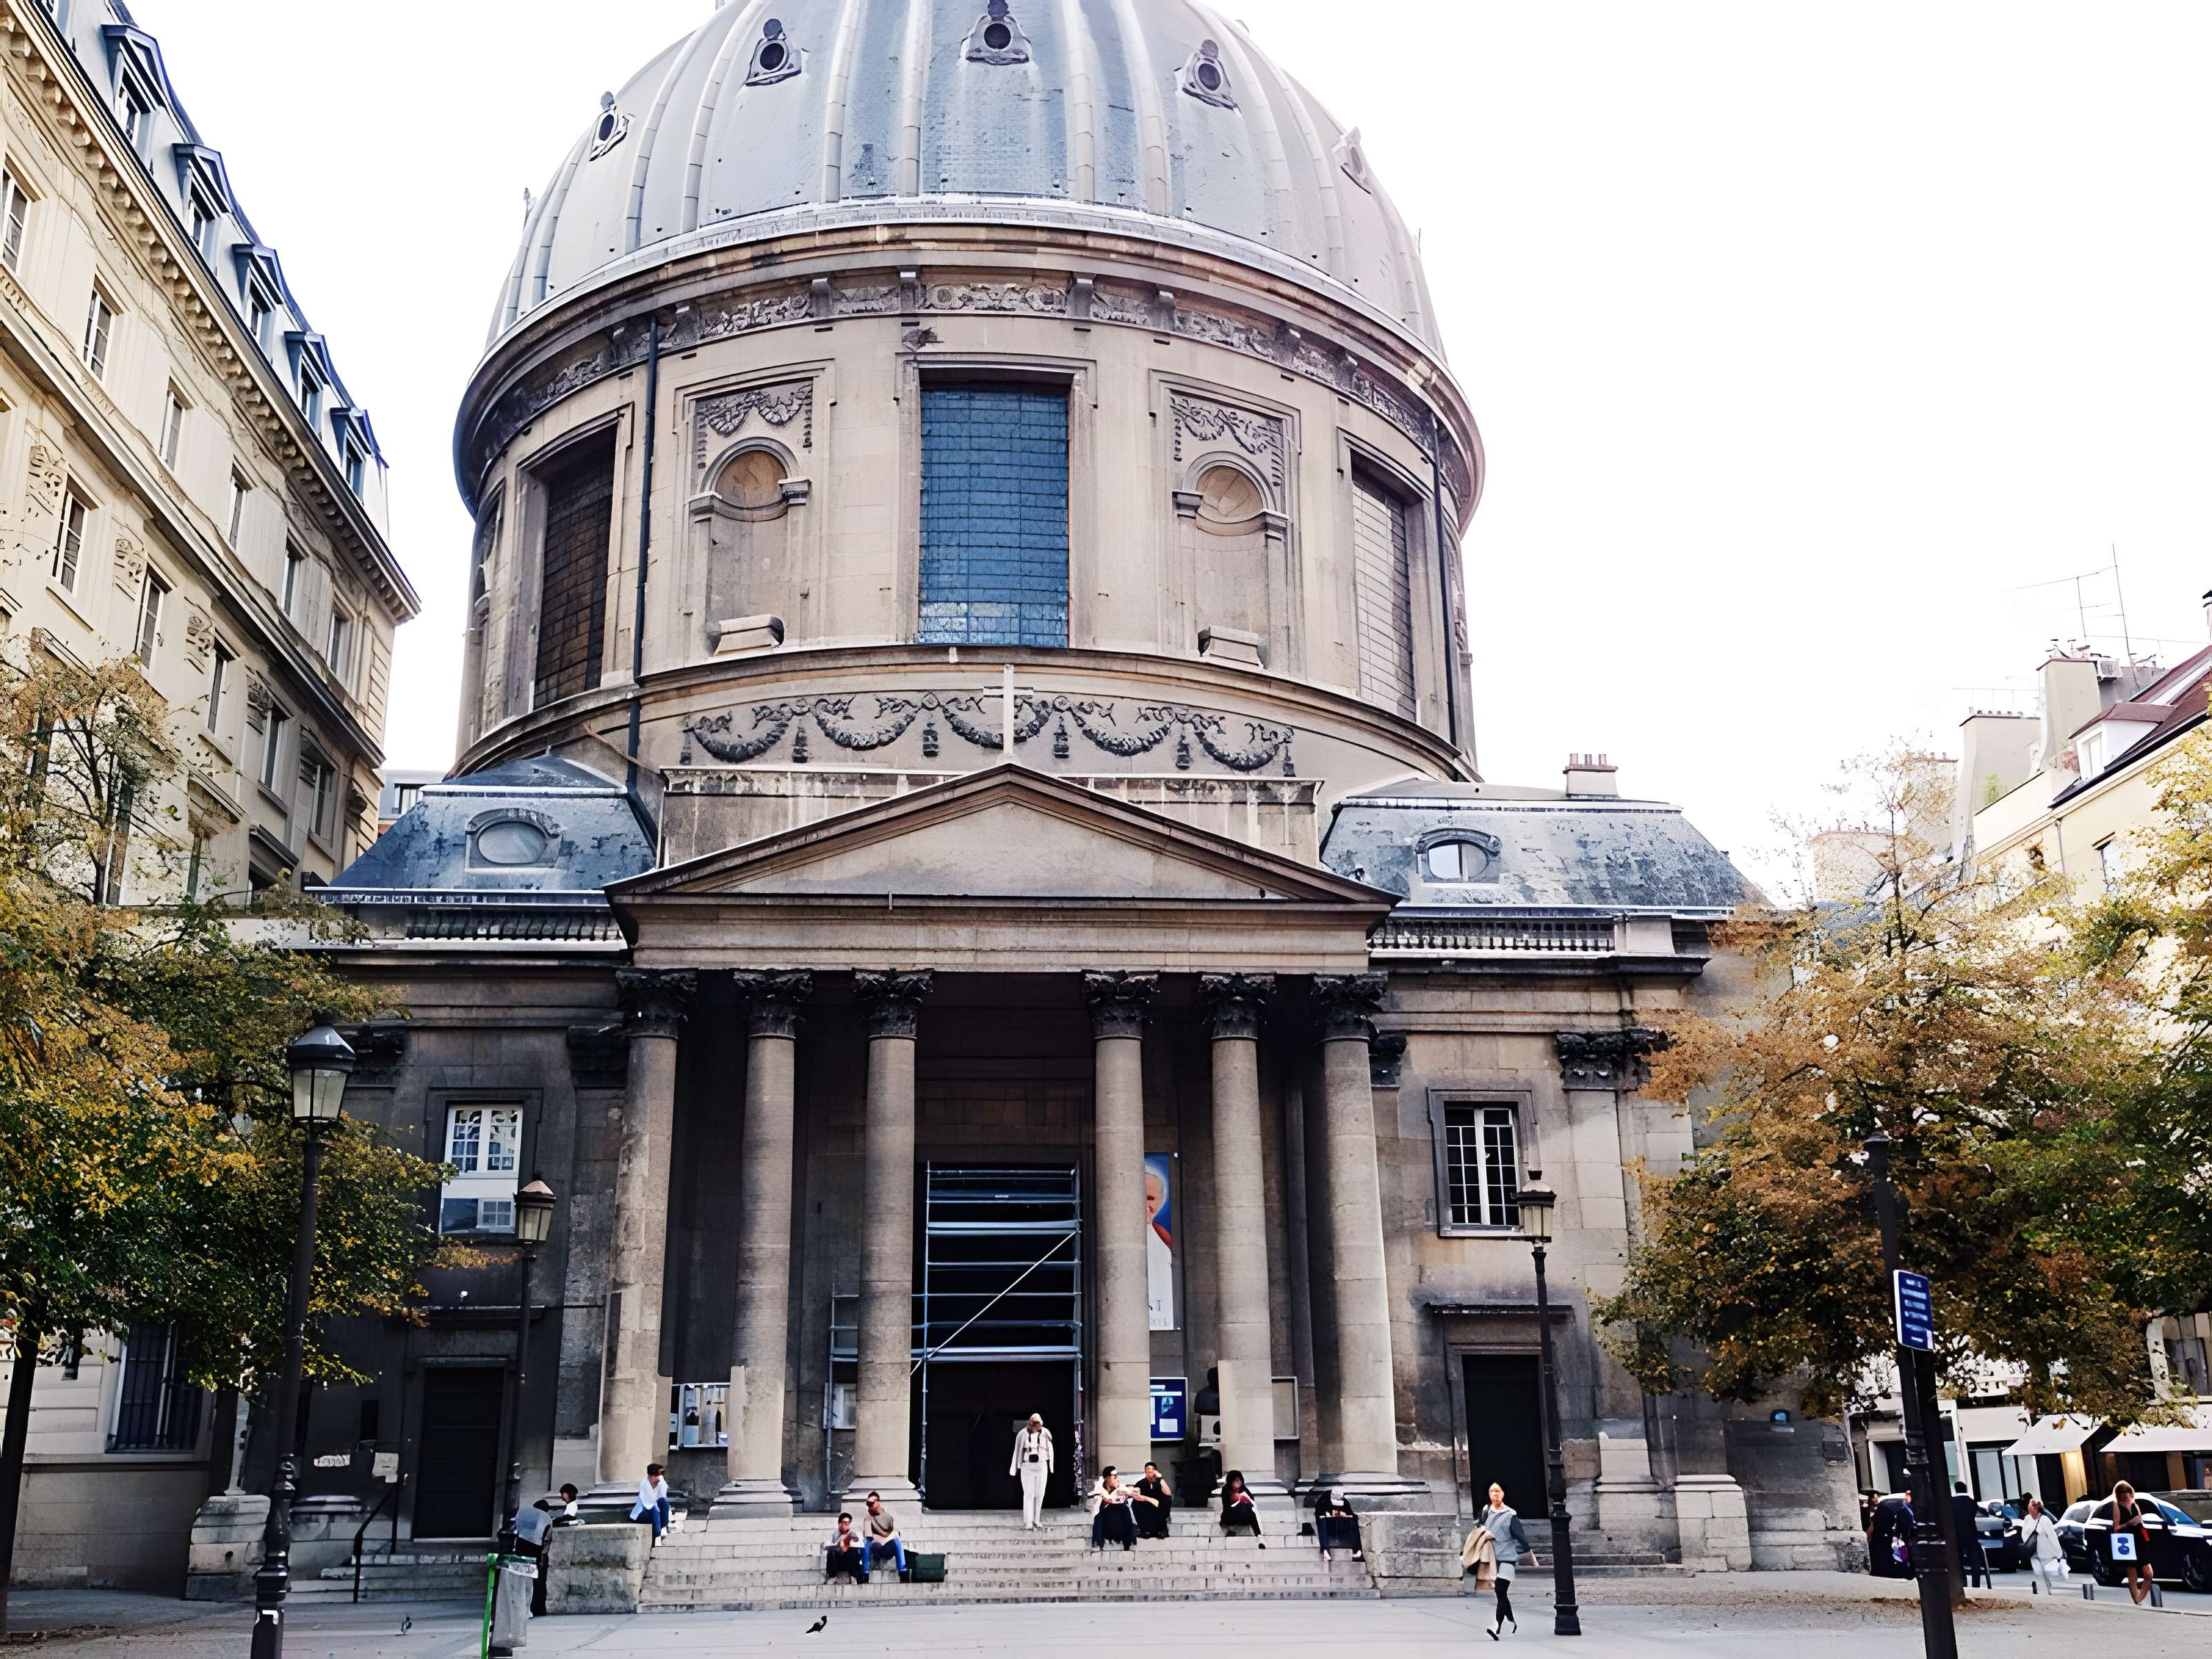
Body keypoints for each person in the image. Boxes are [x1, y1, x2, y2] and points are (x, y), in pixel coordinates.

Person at [1477, 1481, 1530, 1640]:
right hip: (1493, 1559)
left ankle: (1496, 1626)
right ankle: (1511, 1621)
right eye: (1492, 1492)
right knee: (1501, 1594)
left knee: (1500, 1590)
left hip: (1508, 1559)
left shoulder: (1510, 1515)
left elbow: (1520, 1536)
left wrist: (1528, 1551)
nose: (1495, 1494)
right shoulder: (1486, 1514)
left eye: (1498, 1491)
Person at [2109, 1481, 2154, 1604]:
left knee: (2149, 1573)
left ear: (2131, 1492)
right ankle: (2137, 1599)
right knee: (2132, 1571)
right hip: (2127, 1540)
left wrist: (2139, 1521)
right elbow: (2116, 1528)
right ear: (2118, 1494)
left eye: (2127, 1492)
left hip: (2140, 1539)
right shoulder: (2116, 1506)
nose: (2125, 1495)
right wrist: (2130, 1523)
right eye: (2122, 1492)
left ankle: (2140, 1596)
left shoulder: (2135, 1505)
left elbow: (2141, 1520)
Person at [1010, 1412, 1055, 1530]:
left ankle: (1037, 1520)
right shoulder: (1022, 1433)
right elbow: (1017, 1450)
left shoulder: (1045, 1433)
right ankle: (1028, 1522)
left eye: (1037, 1423)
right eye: (1033, 1422)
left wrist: (1050, 1464)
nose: (1035, 1425)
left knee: (1040, 1494)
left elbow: (1050, 1448)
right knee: (1029, 1494)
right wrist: (1015, 1467)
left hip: (1041, 1465)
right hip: (1027, 1466)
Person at [2016, 1496, 2066, 1595]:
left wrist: (2028, 1544)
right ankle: (2045, 1589)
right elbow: (2052, 1537)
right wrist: (2058, 1552)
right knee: (2042, 1571)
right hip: (2040, 1551)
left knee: (2041, 1571)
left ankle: (2045, 1589)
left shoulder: (2037, 1520)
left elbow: (2025, 1535)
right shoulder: (2037, 1519)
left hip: (2038, 1551)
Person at [1089, 1465, 1138, 1549]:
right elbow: (1095, 1504)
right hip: (1106, 1521)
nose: (1117, 1479)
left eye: (1117, 1476)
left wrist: (1125, 1493)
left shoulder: (1120, 1487)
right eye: (1114, 1476)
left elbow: (1132, 1491)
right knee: (1098, 1518)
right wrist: (1105, 1502)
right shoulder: (1100, 1488)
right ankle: (1098, 1544)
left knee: (1124, 1509)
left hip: (1119, 1520)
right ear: (1106, 1478)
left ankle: (1127, 1544)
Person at [862, 1490, 907, 1580]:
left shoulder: (887, 1516)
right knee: (866, 1542)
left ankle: (902, 1570)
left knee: (897, 1541)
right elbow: (868, 1536)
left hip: (887, 1546)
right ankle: (865, 1572)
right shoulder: (868, 1518)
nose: (870, 1506)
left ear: (878, 1502)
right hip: (875, 1547)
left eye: (872, 1503)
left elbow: (890, 1531)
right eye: (869, 1504)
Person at [1949, 1482, 1987, 1587]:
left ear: (1956, 1490)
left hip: (1957, 1535)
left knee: (1959, 1561)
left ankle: (1962, 1583)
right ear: (1965, 1489)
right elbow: (1983, 1512)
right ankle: (1976, 1584)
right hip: (1971, 1534)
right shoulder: (1972, 1502)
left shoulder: (1952, 1502)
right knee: (1974, 1560)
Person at [1315, 1485, 1363, 1562]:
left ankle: (1357, 1549)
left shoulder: (1345, 1502)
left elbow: (1352, 1514)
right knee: (1322, 1522)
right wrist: (1328, 1515)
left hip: (1340, 1524)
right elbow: (1319, 1516)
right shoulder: (1323, 1501)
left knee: (1353, 1521)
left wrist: (1344, 1515)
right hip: (1328, 1525)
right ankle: (1325, 1551)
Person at [629, 1462, 671, 1544]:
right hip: (643, 1513)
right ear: (649, 1476)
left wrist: (661, 1484)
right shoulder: (645, 1485)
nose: (658, 1477)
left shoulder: (661, 1482)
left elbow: (663, 1498)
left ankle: (663, 1528)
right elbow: (649, 1505)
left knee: (664, 1503)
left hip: (656, 1511)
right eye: (656, 1476)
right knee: (655, 1510)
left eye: (659, 1475)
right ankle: (657, 1536)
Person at [1218, 1468, 1264, 1542]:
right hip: (1230, 1517)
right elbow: (1227, 1507)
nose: (1238, 1482)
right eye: (1236, 1480)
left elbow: (1251, 1499)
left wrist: (1243, 1499)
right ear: (1231, 1481)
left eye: (1239, 1480)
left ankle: (1259, 1535)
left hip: (1242, 1516)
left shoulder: (1243, 1488)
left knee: (1251, 1513)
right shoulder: (1226, 1490)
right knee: (1244, 1507)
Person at [1132, 1461, 1174, 1539]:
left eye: (1152, 1470)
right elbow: (1136, 1496)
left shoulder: (1160, 1483)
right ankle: (1145, 1530)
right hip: (1146, 1509)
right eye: (1148, 1470)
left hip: (1158, 1510)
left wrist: (1160, 1479)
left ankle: (1162, 1530)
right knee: (1135, 1503)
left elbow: (1168, 1494)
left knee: (1167, 1500)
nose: (1149, 1472)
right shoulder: (1141, 1483)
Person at [825, 1512, 868, 1582]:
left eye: (848, 1523)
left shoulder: (853, 1533)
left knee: (854, 1552)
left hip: (848, 1560)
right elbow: (828, 1545)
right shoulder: (835, 1534)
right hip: (838, 1560)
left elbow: (859, 1543)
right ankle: (832, 1576)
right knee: (832, 1551)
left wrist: (851, 1541)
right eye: (844, 1523)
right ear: (840, 1524)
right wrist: (840, 1541)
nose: (846, 1525)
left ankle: (853, 1576)